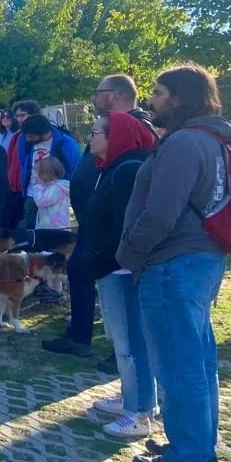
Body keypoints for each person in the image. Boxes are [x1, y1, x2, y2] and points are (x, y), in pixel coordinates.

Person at [118, 63, 230, 462]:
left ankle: (190, 458)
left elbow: (160, 212)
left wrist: (131, 251)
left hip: (172, 263)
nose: (151, 100)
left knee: (179, 365)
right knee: (196, 362)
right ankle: (193, 446)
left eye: (159, 93)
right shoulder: (216, 139)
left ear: (180, 98)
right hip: (200, 260)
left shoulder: (185, 143)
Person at [42, 74, 157, 361]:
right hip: (92, 225)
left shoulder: (133, 128)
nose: (94, 98)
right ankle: (81, 336)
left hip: (113, 232)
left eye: (99, 92)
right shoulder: (106, 126)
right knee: (79, 272)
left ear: (115, 94)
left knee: (120, 291)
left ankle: (125, 352)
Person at [82, 111, 158, 439]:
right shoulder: (113, 168)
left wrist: (100, 260)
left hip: (123, 268)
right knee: (122, 340)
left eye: (97, 132)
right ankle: (133, 397)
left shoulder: (127, 170)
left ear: (117, 138)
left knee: (130, 341)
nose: (90, 138)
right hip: (113, 266)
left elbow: (124, 227)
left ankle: (139, 413)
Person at [16, 114, 81, 229]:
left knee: (53, 230)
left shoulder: (65, 143)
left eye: (30, 136)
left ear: (41, 133)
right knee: (32, 229)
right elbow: (23, 162)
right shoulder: (26, 142)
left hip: (55, 195)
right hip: (32, 194)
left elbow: (74, 168)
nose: (27, 139)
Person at [28, 157, 71, 231]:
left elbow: (40, 201)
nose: (36, 175)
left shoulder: (55, 188)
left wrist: (37, 186)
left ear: (46, 174)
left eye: (38, 172)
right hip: (57, 226)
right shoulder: (53, 186)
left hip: (54, 228)